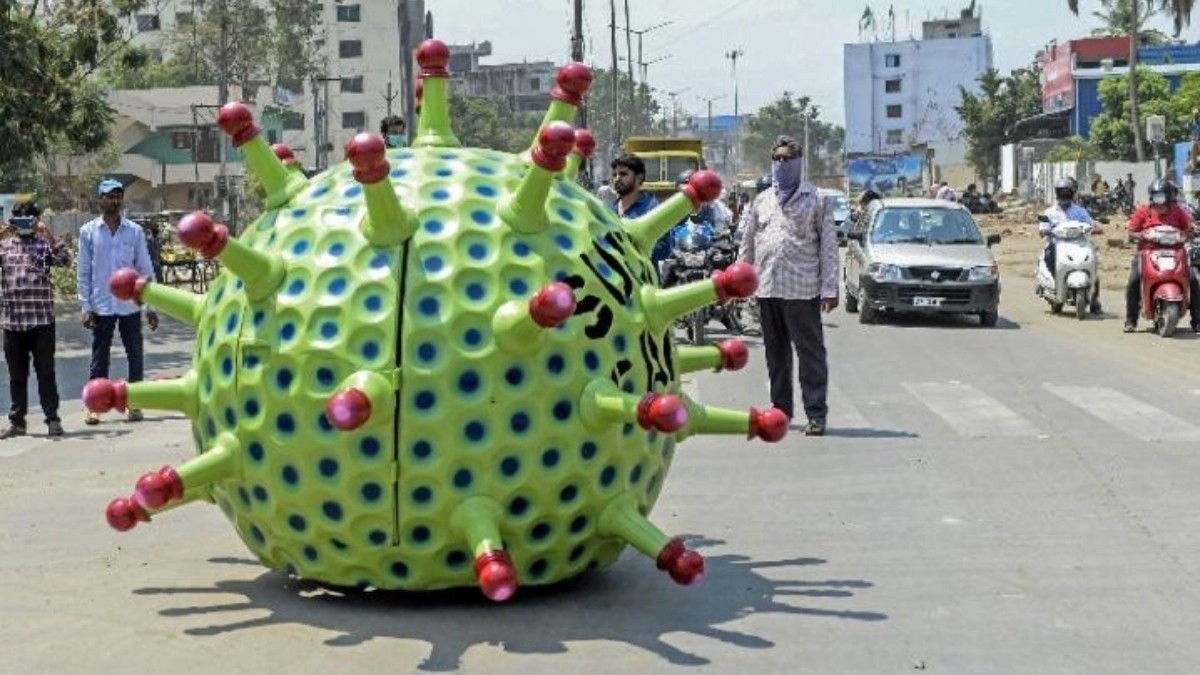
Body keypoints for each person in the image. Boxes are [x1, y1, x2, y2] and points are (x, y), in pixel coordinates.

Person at [737, 135, 839, 437]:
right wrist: (740, 280)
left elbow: (829, 247)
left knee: (810, 354)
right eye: (778, 159)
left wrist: (830, 288)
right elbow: (748, 242)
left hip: (802, 289)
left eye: (788, 159)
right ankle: (780, 410)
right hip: (768, 286)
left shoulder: (817, 198)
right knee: (775, 355)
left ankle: (816, 413)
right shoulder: (762, 200)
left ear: (799, 162)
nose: (782, 164)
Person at [77, 179, 159, 425]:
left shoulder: (133, 231)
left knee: (135, 353)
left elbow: (144, 268)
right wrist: (85, 306)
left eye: (118, 196)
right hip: (101, 304)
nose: (114, 201)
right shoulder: (88, 232)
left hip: (129, 305)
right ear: (99, 200)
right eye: (109, 196)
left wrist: (150, 305)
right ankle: (94, 407)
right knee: (99, 357)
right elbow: (83, 271)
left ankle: (136, 403)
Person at [0, 201, 69, 438]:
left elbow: (64, 260)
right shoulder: (5, 246)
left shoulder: (43, 245)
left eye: (29, 219)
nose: (25, 223)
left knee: (46, 373)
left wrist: (48, 234)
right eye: (19, 219)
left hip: (41, 322)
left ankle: (53, 420)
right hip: (13, 323)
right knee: (17, 376)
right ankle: (17, 422)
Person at [1123, 179, 1200, 333]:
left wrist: (1192, 232)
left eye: (1162, 195)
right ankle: (1131, 319)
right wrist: (1136, 236)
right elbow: (1132, 230)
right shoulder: (1143, 211)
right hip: (1147, 252)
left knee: (1193, 279)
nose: (1160, 199)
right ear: (1151, 196)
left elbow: (1189, 228)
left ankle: (1197, 320)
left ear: (1169, 195)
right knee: (1134, 280)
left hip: (1176, 252)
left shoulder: (1177, 211)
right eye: (1156, 195)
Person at [1040, 177, 1103, 314]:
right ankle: (1053, 287)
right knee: (1048, 256)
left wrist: (1096, 227)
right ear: (1057, 193)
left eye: (1067, 192)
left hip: (1079, 244)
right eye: (1061, 192)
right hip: (1057, 244)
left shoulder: (1080, 211)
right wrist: (1045, 230)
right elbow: (1043, 227)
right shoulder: (1050, 212)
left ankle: (1094, 299)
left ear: (1072, 193)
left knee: (1093, 262)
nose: (1064, 195)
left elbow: (1090, 224)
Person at [605, 153, 661, 260]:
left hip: (641, 276)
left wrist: (630, 248)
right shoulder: (609, 210)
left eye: (623, 174)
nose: (617, 179)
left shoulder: (652, 209)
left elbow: (664, 248)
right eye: (614, 175)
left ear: (639, 178)